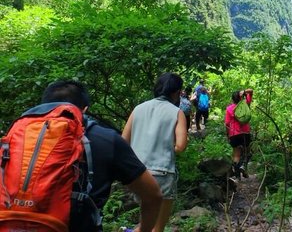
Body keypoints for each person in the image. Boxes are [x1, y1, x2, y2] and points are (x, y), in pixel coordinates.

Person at [41, 80, 162, 232]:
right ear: (84, 109)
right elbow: (153, 195)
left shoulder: (19, 138)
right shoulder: (106, 139)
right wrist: (143, 229)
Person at [122, 72, 188, 232]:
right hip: (162, 173)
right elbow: (180, 147)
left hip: (138, 174)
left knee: (145, 223)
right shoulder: (176, 112)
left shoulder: (138, 109)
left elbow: (123, 141)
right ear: (176, 92)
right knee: (156, 228)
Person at [225, 88, 253, 179]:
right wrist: (244, 91)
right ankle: (243, 167)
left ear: (233, 99)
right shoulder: (245, 105)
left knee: (236, 154)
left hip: (234, 133)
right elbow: (251, 91)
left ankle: (236, 172)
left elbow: (227, 123)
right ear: (241, 98)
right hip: (245, 132)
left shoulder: (229, 109)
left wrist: (227, 134)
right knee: (247, 151)